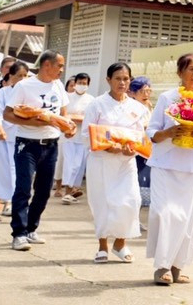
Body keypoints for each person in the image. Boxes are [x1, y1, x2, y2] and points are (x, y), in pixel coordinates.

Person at [146, 55, 193, 285]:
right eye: (190, 69)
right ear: (180, 72)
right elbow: (152, 131)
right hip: (167, 164)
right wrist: (168, 133)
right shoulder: (167, 98)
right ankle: (162, 265)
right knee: (166, 214)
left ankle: (178, 266)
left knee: (191, 217)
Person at [3, 51, 73, 251]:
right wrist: (35, 121)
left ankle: (31, 228)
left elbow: (63, 115)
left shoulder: (58, 86)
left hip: (51, 144)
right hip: (27, 144)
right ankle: (19, 234)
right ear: (47, 65)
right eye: (59, 65)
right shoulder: (25, 86)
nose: (62, 70)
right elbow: (7, 114)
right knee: (24, 188)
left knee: (43, 191)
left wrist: (67, 128)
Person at [86, 62, 149, 264]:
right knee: (102, 203)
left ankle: (120, 243)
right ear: (108, 80)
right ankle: (102, 245)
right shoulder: (97, 104)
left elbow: (143, 136)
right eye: (117, 79)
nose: (122, 83)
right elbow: (85, 135)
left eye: (125, 79)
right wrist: (109, 147)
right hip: (101, 161)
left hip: (126, 162)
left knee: (130, 201)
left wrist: (134, 148)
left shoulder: (138, 108)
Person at [0, 62, 27, 221]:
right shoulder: (3, 92)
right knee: (1, 172)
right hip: (4, 138)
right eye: (18, 76)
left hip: (23, 139)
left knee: (18, 174)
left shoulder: (29, 92)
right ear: (11, 76)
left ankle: (13, 206)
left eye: (25, 76)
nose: (22, 79)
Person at [59, 73, 93, 204]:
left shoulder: (91, 100)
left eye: (85, 83)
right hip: (69, 135)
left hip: (83, 136)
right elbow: (64, 115)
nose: (82, 85)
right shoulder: (67, 98)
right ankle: (67, 191)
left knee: (79, 165)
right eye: (80, 82)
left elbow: (90, 117)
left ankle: (73, 190)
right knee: (69, 164)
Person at [129, 77, 154, 212]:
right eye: (142, 91)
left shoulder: (148, 106)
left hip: (148, 149)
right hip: (136, 150)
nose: (146, 94)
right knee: (136, 183)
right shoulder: (132, 108)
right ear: (133, 93)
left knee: (144, 183)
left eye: (148, 91)